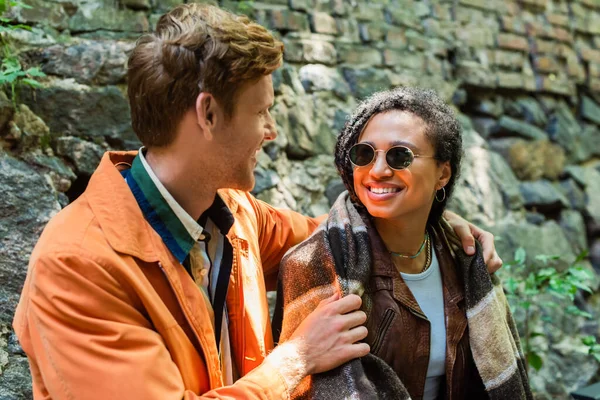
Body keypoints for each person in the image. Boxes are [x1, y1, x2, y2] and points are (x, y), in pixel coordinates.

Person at [13, 5, 503, 399]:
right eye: (262, 112)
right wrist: (297, 360)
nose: (271, 132)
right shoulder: (77, 265)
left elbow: (345, 233)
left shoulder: (232, 214)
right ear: (208, 114)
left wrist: (435, 214)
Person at [275, 87, 532, 400]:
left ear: (443, 174)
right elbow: (305, 389)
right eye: (365, 154)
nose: (379, 170)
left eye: (400, 155)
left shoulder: (465, 259)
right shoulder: (315, 263)